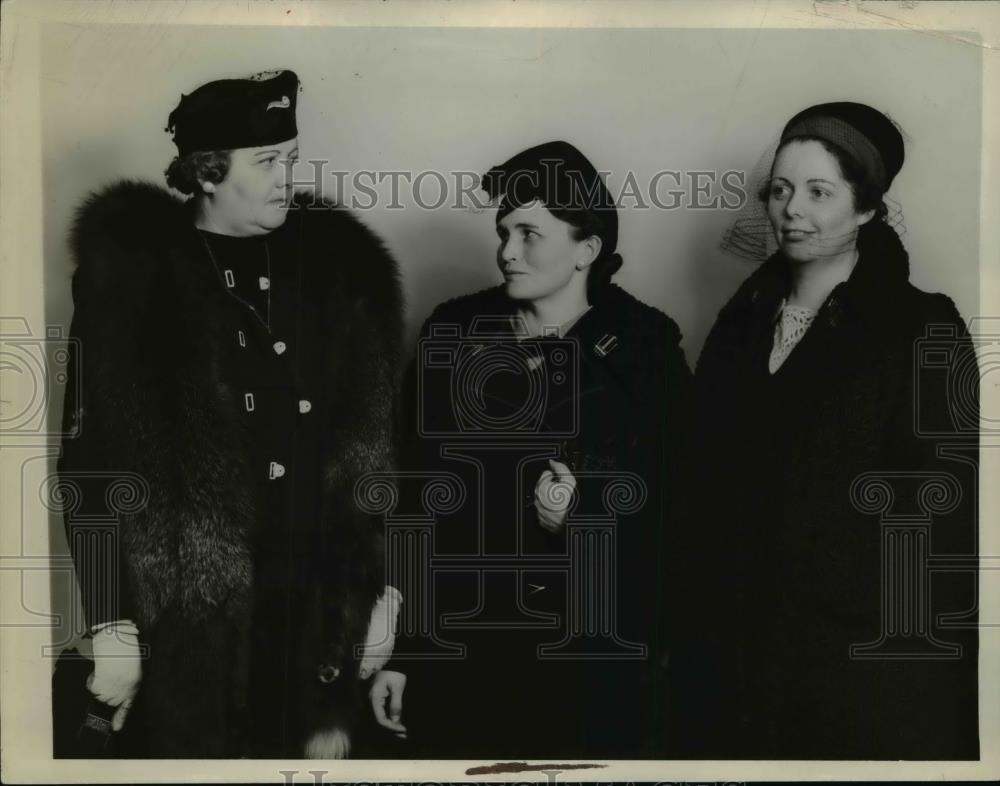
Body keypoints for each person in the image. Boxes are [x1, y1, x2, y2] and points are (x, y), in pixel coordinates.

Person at [56, 69, 405, 758]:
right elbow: (85, 461)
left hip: (315, 612)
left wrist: (389, 590)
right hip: (187, 622)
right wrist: (107, 620)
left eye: (292, 160)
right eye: (267, 162)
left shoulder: (341, 271)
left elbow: (381, 450)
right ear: (208, 171)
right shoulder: (130, 281)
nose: (287, 178)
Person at [673, 102, 979, 759]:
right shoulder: (741, 323)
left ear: (866, 208)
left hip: (851, 668)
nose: (791, 210)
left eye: (819, 191)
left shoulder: (922, 327)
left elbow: (937, 516)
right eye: (780, 190)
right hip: (731, 654)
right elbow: (698, 479)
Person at [374, 141, 692, 759]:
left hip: (591, 663)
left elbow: (686, 510)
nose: (506, 251)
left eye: (529, 233)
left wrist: (583, 515)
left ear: (587, 248)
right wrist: (404, 651)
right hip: (460, 651)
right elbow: (410, 498)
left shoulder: (647, 349)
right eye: (503, 231)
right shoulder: (454, 331)